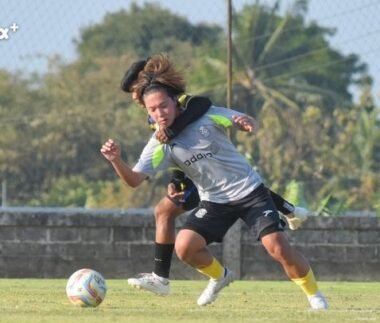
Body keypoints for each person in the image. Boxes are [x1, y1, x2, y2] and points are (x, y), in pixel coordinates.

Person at [101, 53, 328, 309]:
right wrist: (115, 160)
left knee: (278, 248)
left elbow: (241, 119)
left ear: (175, 101)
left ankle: (314, 295)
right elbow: (133, 180)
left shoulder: (204, 114)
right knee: (185, 247)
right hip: (215, 202)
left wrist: (244, 122)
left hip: (251, 193)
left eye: (163, 105)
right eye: (153, 110)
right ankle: (220, 276)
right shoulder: (158, 143)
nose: (160, 113)